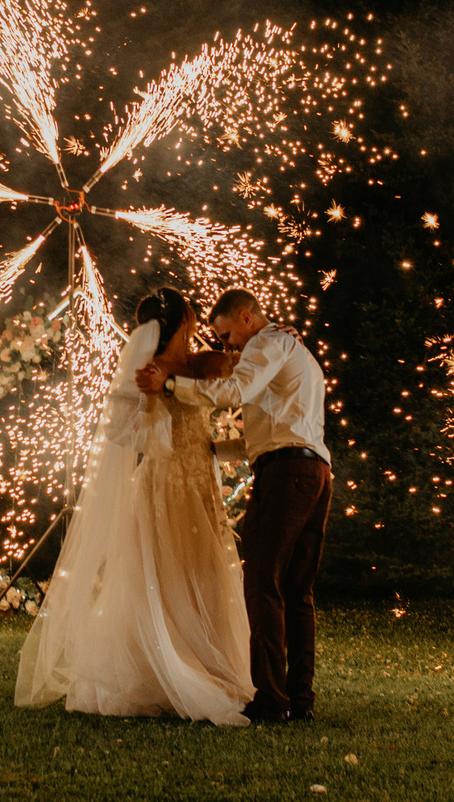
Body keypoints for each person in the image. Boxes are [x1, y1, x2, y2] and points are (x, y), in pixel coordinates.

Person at [15, 287, 254, 723]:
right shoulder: (152, 370)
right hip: (167, 483)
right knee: (167, 574)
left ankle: (213, 668)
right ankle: (163, 672)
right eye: (192, 318)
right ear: (183, 320)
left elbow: (240, 374)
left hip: (202, 481)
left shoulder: (197, 362)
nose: (196, 324)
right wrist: (153, 399)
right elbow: (138, 433)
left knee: (205, 570)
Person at [137, 287, 332, 723]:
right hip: (313, 471)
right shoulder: (289, 347)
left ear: (247, 318)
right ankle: (300, 700)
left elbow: (232, 393)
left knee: (262, 583)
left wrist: (168, 383)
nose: (227, 347)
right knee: (297, 593)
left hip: (286, 475)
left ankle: (270, 700)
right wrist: (211, 450)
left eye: (227, 336)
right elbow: (271, 435)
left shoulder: (267, 342)